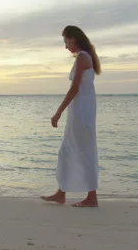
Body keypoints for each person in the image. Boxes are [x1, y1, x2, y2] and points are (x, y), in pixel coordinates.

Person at [41, 25, 101, 208]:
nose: (66, 46)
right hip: (80, 112)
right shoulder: (83, 57)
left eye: (66, 41)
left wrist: (58, 112)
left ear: (73, 38)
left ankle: (91, 197)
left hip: (82, 113)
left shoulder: (83, 57)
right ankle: (61, 193)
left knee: (85, 152)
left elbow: (75, 89)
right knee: (67, 151)